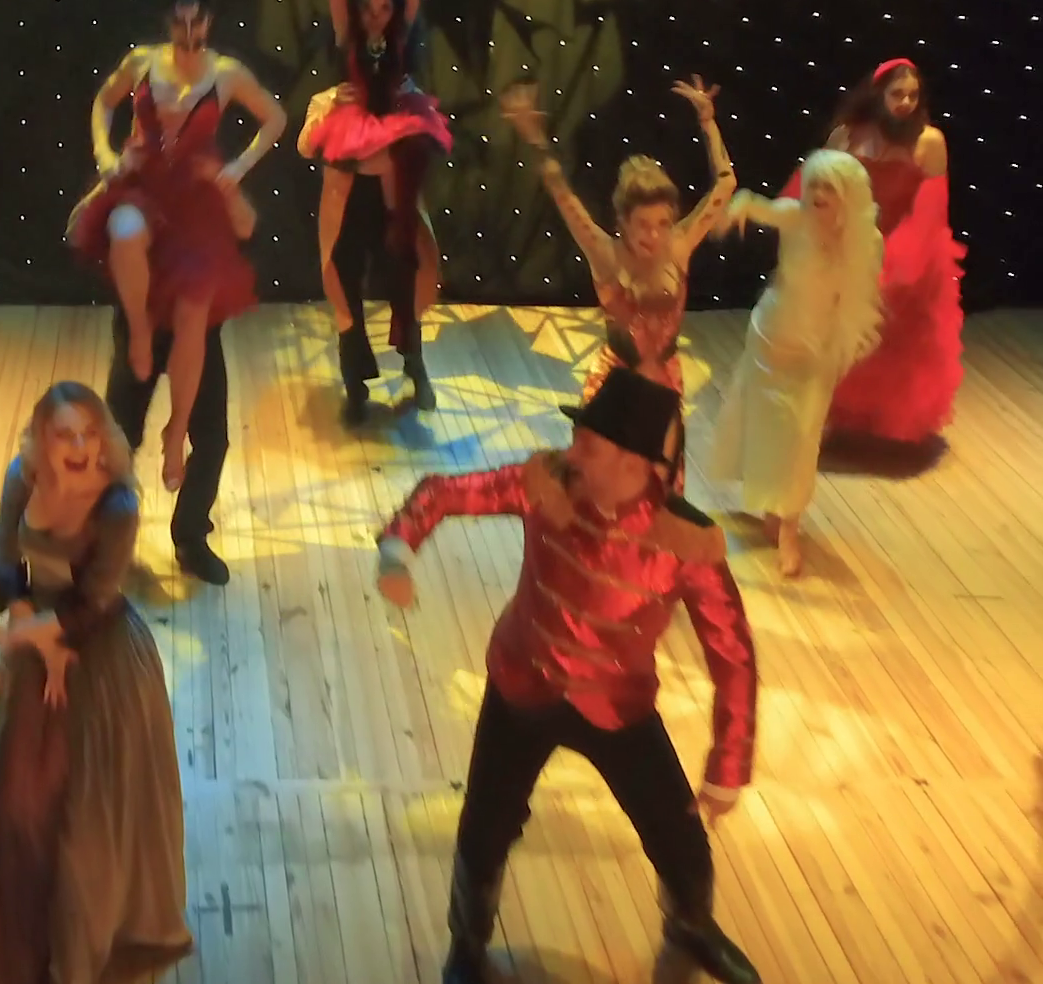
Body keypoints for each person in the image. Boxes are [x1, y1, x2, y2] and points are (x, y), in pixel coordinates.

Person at [375, 367, 760, 984]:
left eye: (589, 444)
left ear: (634, 463)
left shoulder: (682, 542)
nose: (572, 451)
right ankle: (467, 945)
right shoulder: (546, 485)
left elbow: (732, 652)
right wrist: (398, 549)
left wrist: (728, 764)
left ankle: (690, 925)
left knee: (680, 835)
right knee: (484, 830)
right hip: (521, 687)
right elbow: (445, 492)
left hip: (619, 707)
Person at [0, 382, 191, 983]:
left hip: (102, 655)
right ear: (42, 440)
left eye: (89, 433)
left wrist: (40, 639)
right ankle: (23, 943)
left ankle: (87, 944)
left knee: (90, 816)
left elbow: (94, 600)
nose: (79, 446)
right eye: (64, 434)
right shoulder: (22, 478)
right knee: (20, 810)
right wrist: (30, 633)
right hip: (38, 640)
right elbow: (2, 564)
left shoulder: (118, 505)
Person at [69, 0, 287, 491]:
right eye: (180, 21)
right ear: (168, 22)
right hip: (143, 184)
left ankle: (176, 434)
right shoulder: (142, 62)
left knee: (195, 310)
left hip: (194, 198)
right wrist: (104, 153)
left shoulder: (226, 73)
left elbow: (274, 117)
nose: (189, 30)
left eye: (197, 21)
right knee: (123, 229)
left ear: (208, 21)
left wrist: (238, 168)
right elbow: (103, 102)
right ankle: (140, 335)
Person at [500, 75, 737, 489]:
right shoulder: (604, 252)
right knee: (600, 484)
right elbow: (560, 190)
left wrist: (708, 123)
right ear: (622, 222)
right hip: (614, 383)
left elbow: (726, 182)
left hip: (664, 381)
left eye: (663, 223)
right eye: (643, 224)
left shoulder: (680, 244)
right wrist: (535, 139)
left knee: (657, 485)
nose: (654, 235)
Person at [303, 0, 451, 417]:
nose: (376, 16)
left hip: (391, 171)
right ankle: (355, 384)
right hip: (353, 175)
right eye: (370, 7)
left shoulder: (401, 35)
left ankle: (415, 366)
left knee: (403, 269)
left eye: (385, 8)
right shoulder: (347, 32)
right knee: (343, 273)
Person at [708, 150, 885, 577]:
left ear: (848, 196)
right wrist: (734, 212)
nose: (818, 193)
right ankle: (774, 506)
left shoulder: (866, 242)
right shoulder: (794, 217)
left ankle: (789, 525)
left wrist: (838, 347)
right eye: (814, 184)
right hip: (772, 337)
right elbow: (754, 204)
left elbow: (859, 300)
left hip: (814, 350)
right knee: (772, 427)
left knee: (803, 434)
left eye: (829, 188)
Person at [787, 58, 965, 444]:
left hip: (908, 243)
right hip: (851, 241)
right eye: (897, 94)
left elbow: (931, 208)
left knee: (897, 330)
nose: (905, 103)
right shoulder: (847, 136)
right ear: (878, 94)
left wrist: (902, 257)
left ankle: (888, 420)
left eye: (912, 96)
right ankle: (840, 412)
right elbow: (817, 187)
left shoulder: (929, 141)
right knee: (837, 330)